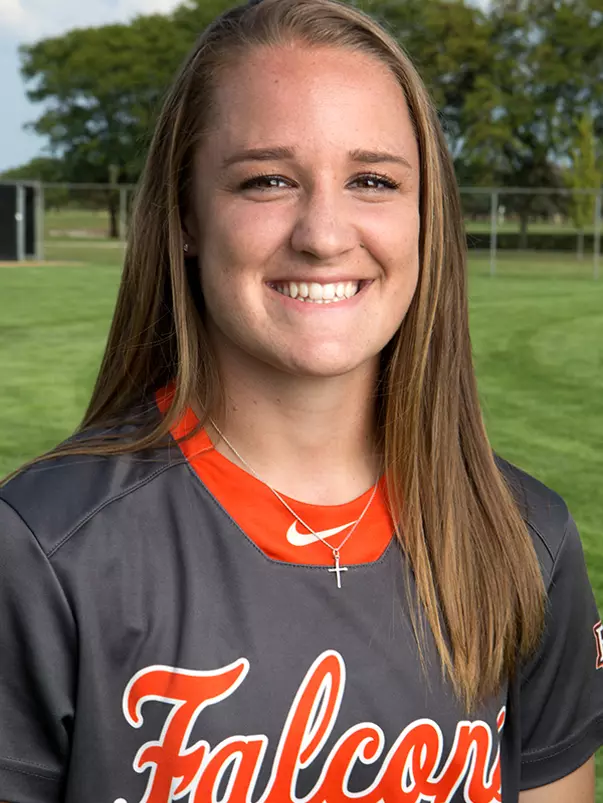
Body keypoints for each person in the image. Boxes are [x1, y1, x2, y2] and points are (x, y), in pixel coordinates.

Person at [0, 0, 601, 801]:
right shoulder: (43, 551)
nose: (323, 232)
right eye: (268, 180)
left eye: (372, 180)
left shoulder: (524, 541)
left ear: (426, 216)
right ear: (185, 214)